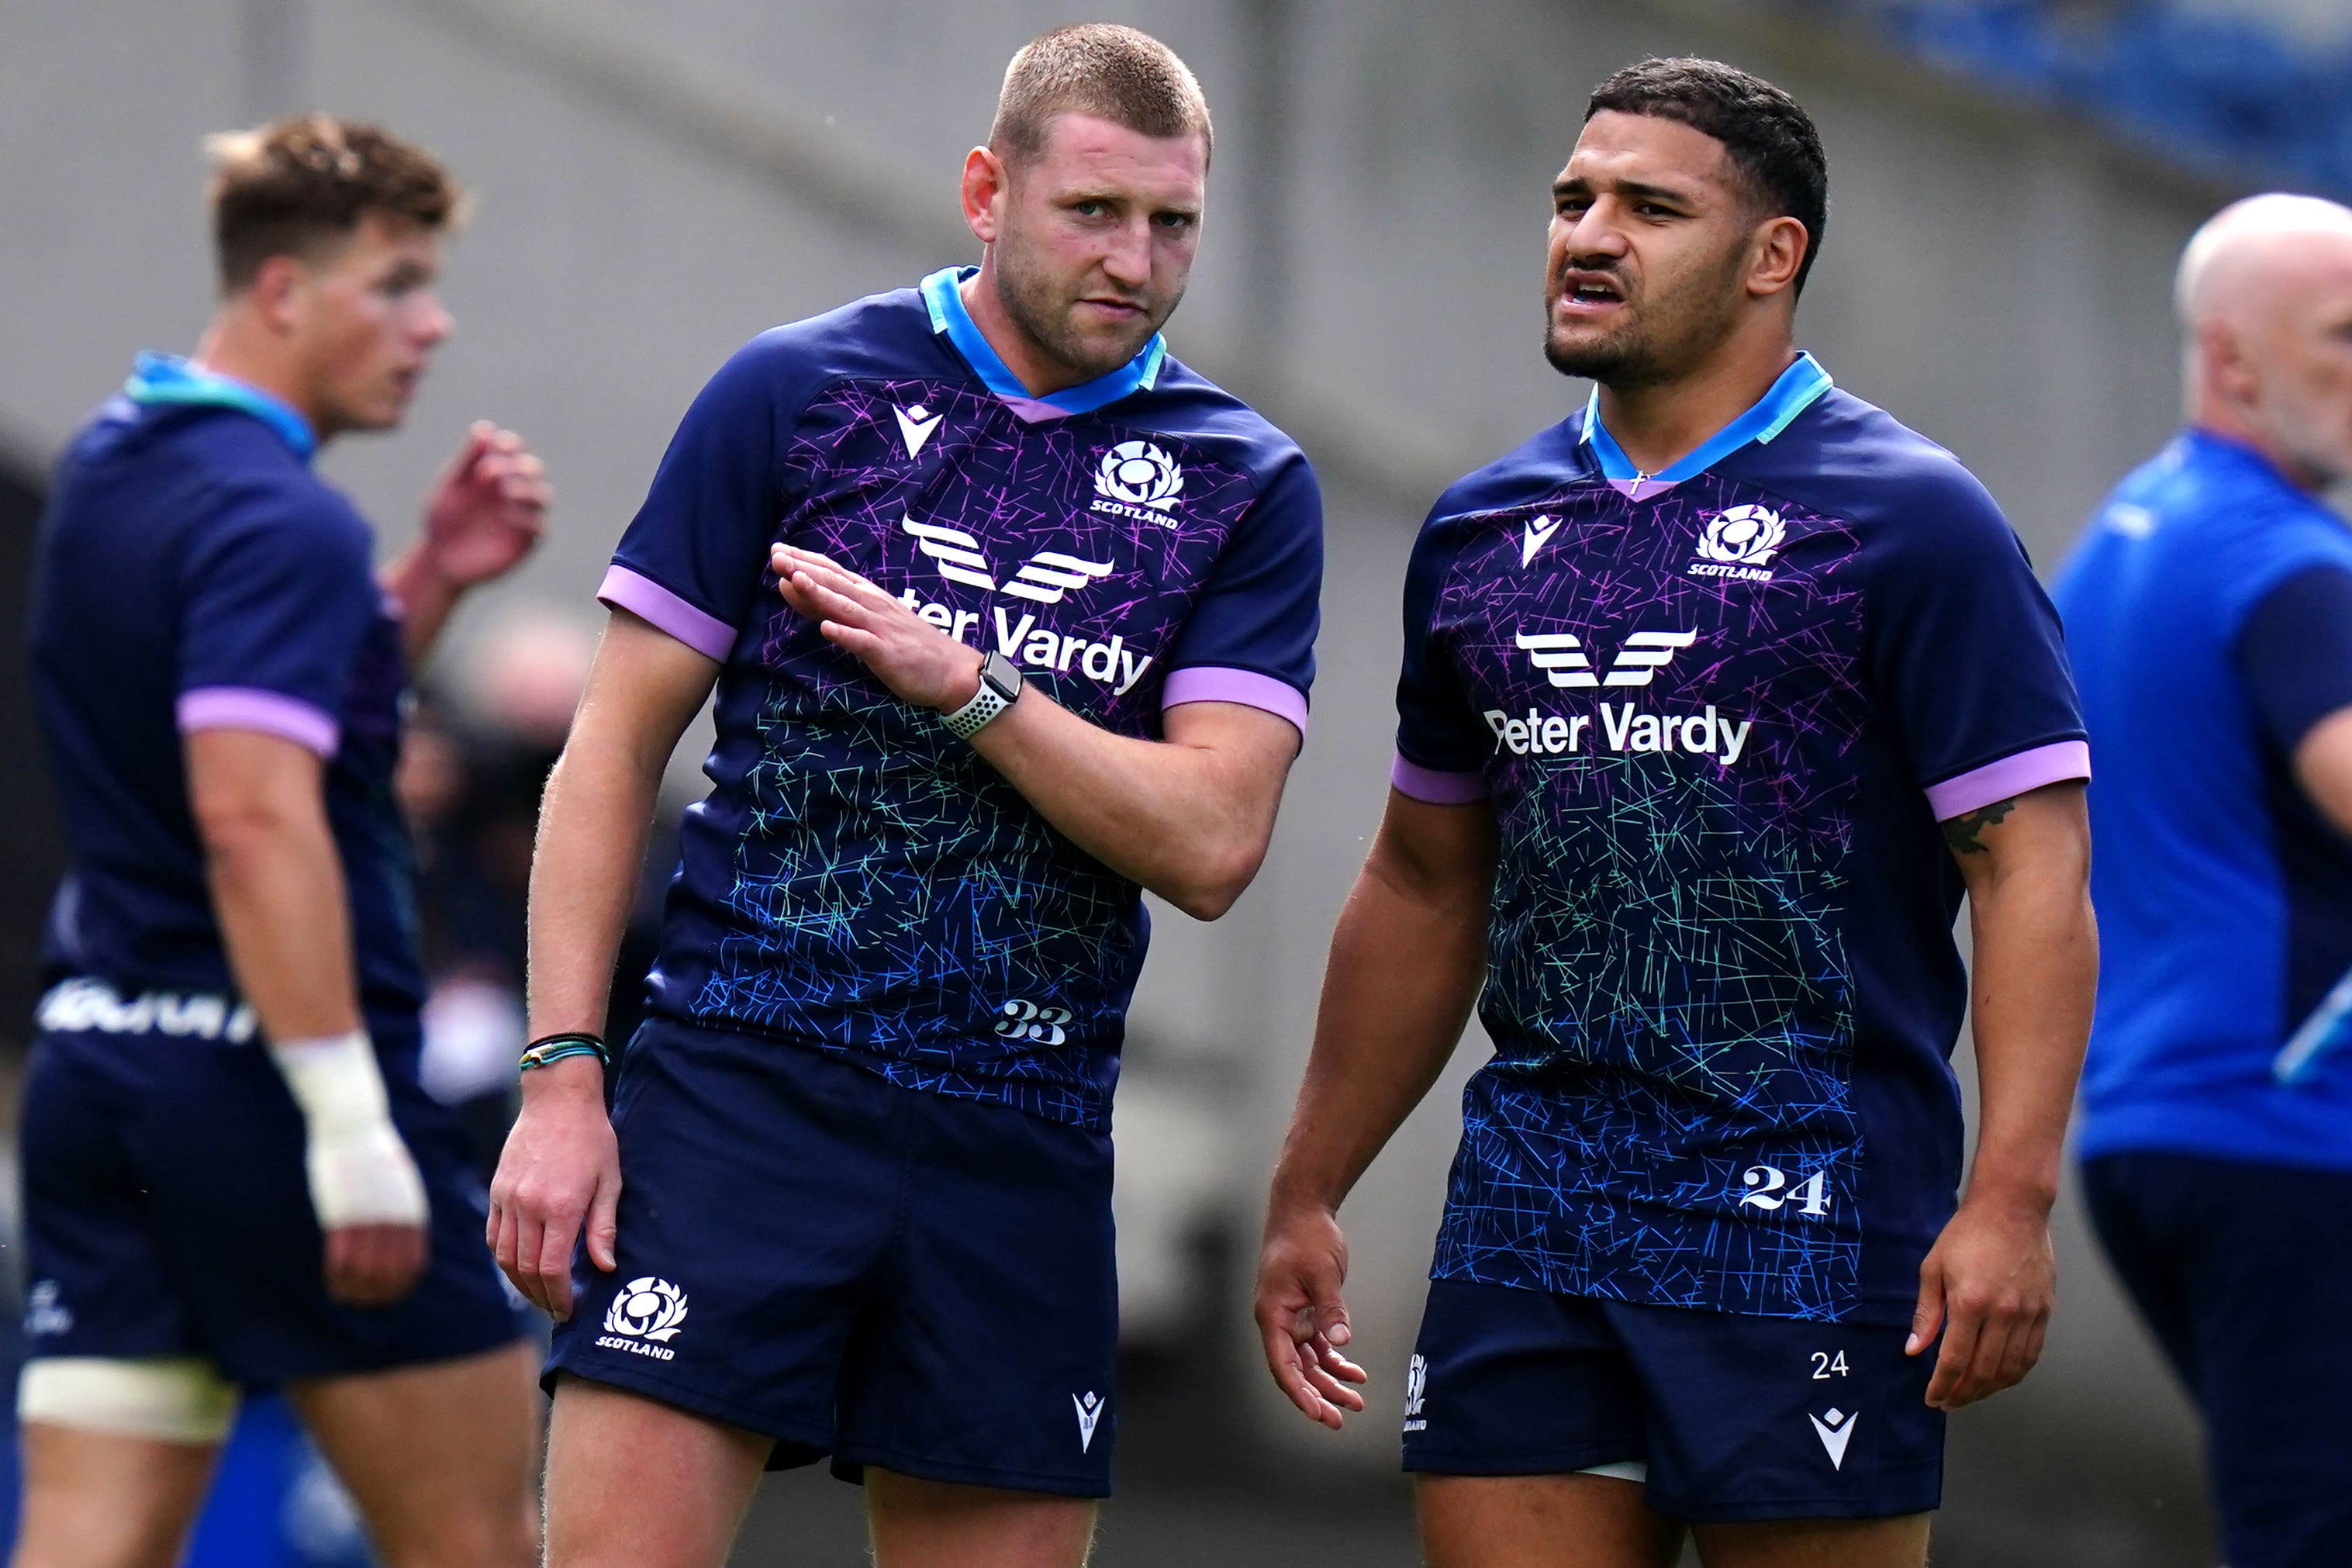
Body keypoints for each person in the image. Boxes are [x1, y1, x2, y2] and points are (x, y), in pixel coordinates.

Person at [486, 24, 1321, 1568]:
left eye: (1173, 223)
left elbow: (1211, 843)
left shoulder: (1243, 483)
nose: (1135, 259)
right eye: (1093, 213)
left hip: (1024, 1135)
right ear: (984, 190)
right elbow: (606, 755)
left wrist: (976, 693)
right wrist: (561, 1081)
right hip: (742, 1091)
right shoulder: (797, 391)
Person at [1252, 57, 2096, 1568]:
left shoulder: (1907, 518)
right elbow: (1423, 880)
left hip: (1808, 1220)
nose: (1587, 233)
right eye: (1572, 199)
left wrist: (2010, 1201)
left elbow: (2030, 867)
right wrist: (1310, 1183)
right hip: (1530, 1213)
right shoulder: (1480, 529)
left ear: (1771, 256)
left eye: (1648, 207)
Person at [16, 116, 546, 1568]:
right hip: (278, 1105)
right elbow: (252, 813)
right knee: (478, 1544)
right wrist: (354, 1128)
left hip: (105, 1072)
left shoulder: (117, 464)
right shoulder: (277, 518)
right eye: (393, 284)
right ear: (281, 292)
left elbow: (257, 719)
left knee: (85, 1543)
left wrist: (427, 579)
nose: (428, 324)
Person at [2053, 194, 2352, 1568]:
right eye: (2344, 338)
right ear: (2235, 359)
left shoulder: (2122, 538)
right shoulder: (2289, 563)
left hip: (2149, 1129)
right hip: (2291, 1128)